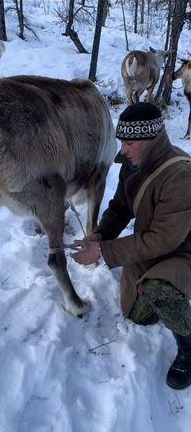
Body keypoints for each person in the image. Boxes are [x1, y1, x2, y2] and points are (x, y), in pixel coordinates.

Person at [71, 102, 191, 390]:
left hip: (183, 252)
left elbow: (163, 239)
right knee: (137, 315)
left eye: (129, 142)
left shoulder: (181, 177)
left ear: (150, 140)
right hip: (154, 249)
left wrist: (102, 252)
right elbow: (120, 206)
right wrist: (100, 236)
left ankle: (188, 348)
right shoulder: (134, 163)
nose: (122, 150)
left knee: (158, 290)